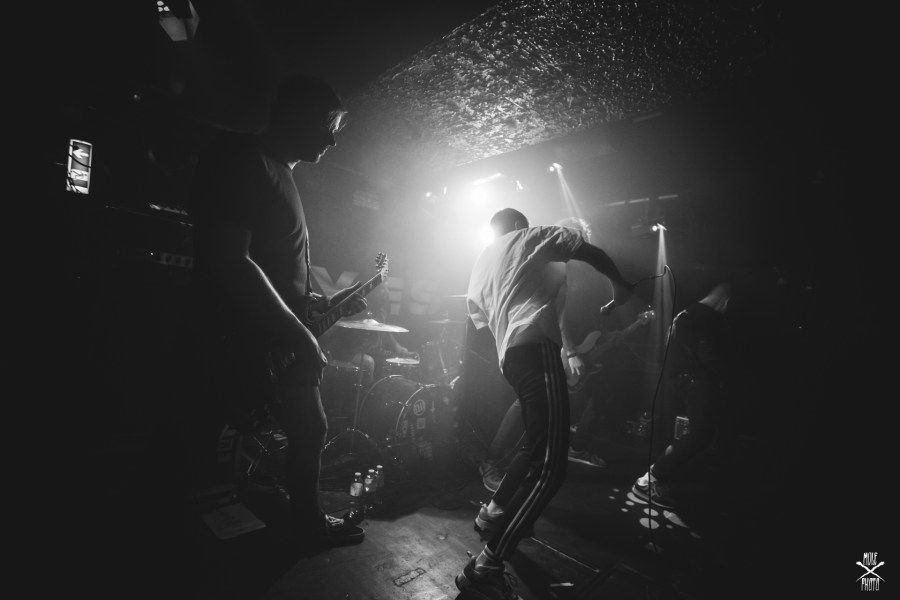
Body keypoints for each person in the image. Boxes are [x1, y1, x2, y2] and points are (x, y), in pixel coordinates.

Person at [186, 72, 368, 553]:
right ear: (295, 114)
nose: (333, 140)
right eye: (328, 125)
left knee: (308, 428)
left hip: (269, 335)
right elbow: (230, 257)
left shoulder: (283, 174)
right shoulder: (240, 156)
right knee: (199, 434)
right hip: (232, 335)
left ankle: (305, 523)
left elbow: (272, 268)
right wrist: (299, 334)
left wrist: (316, 305)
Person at [457, 208, 635, 599]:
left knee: (534, 447)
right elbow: (587, 254)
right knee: (552, 468)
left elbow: (482, 318)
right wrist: (620, 286)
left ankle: (493, 513)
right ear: (520, 225)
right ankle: (486, 566)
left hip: (512, 356)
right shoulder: (535, 239)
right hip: (537, 351)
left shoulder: (486, 258)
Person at [477, 217, 617, 494]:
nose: (581, 245)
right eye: (577, 238)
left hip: (560, 344)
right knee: (526, 406)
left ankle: (566, 451)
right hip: (545, 343)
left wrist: (600, 334)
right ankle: (493, 462)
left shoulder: (572, 269)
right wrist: (570, 350)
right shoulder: (551, 264)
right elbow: (557, 312)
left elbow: (577, 313)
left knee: (584, 400)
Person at [631, 282, 734, 511]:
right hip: (697, 381)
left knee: (699, 434)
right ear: (726, 301)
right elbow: (709, 354)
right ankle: (648, 481)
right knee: (700, 435)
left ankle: (657, 479)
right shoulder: (704, 318)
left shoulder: (685, 315)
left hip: (681, 380)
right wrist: (725, 377)